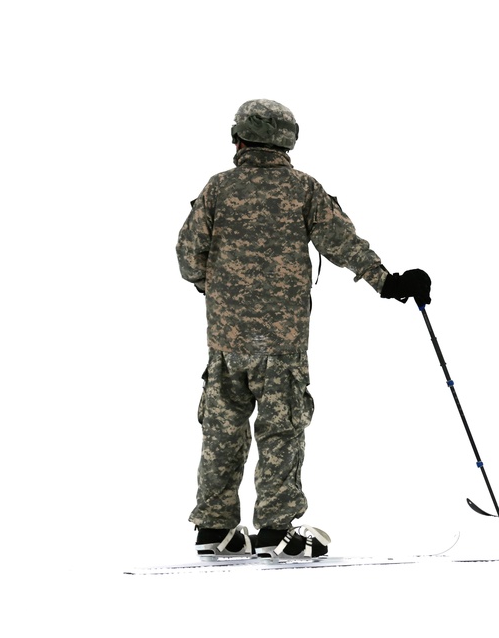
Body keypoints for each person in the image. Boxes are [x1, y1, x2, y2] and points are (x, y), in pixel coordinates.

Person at [176, 99, 431, 558]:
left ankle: (214, 528)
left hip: (226, 338)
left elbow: (187, 253)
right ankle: (275, 530)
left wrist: (210, 287)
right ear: (288, 141)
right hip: (281, 339)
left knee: (222, 426)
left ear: (239, 138)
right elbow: (342, 242)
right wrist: (386, 281)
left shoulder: (219, 189)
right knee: (282, 427)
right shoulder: (302, 189)